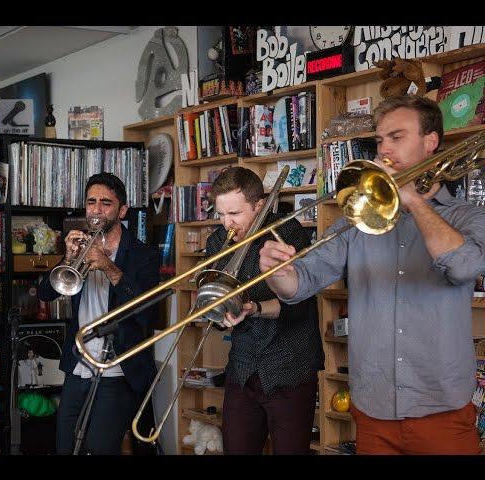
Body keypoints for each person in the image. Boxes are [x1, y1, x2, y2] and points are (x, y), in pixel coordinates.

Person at [259, 94, 485, 454]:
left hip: (441, 410)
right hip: (373, 409)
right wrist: (276, 270)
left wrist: (413, 200)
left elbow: (464, 267)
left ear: (431, 143)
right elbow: (299, 283)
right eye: (380, 140)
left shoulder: (466, 217)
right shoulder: (357, 220)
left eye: (397, 137)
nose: (384, 150)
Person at [204, 166, 323, 454]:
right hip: (242, 369)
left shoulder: (288, 233)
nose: (226, 223)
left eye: (235, 214)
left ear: (259, 206)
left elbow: (300, 304)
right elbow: (216, 302)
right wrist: (221, 314)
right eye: (220, 214)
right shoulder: (217, 242)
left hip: (289, 368)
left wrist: (254, 308)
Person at [38, 172, 159, 455]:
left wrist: (107, 266)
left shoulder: (144, 255)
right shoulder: (79, 245)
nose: (96, 209)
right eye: (91, 202)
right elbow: (46, 293)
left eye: (106, 203)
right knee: (66, 447)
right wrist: (68, 259)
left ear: (123, 210)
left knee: (100, 447)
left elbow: (146, 312)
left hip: (117, 368)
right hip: (79, 365)